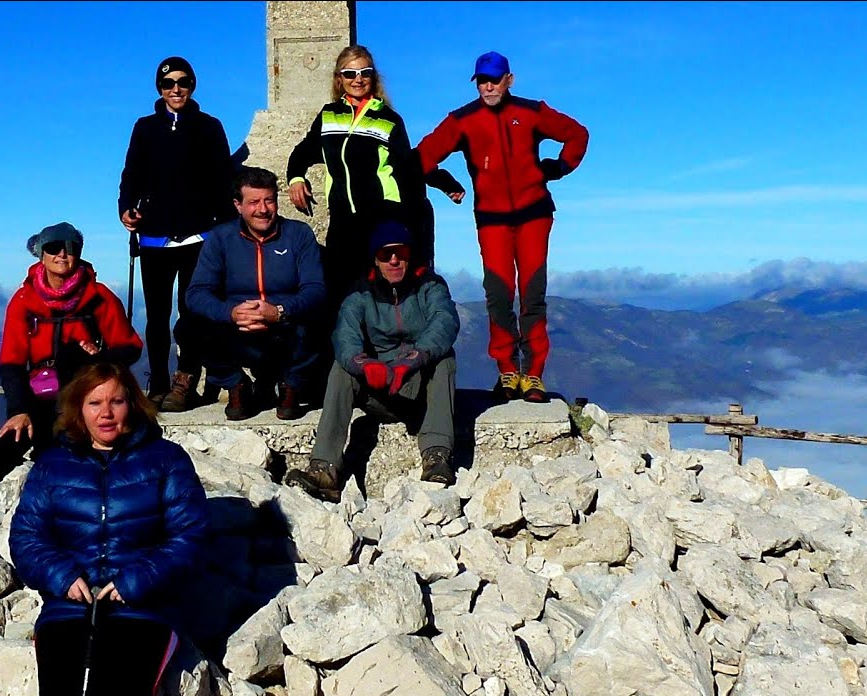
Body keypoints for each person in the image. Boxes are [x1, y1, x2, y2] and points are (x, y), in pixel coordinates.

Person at [9, 362, 208, 696]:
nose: (106, 413)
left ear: (132, 403)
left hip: (142, 606)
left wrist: (134, 580)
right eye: (94, 403)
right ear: (77, 409)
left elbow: (189, 535)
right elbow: (27, 537)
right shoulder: (52, 465)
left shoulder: (166, 461)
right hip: (68, 607)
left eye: (116, 401)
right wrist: (63, 577)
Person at [416, 50, 588, 403]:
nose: (489, 85)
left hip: (535, 214)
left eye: (495, 78)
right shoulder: (463, 120)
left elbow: (577, 134)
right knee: (498, 294)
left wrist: (557, 168)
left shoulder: (531, 112)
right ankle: (508, 372)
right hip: (492, 220)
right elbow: (420, 158)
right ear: (476, 82)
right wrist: (444, 180)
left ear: (510, 79)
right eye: (482, 80)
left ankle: (534, 375)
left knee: (532, 292)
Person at [0, 222, 143, 518]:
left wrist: (101, 358)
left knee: (51, 424)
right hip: (42, 390)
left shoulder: (99, 298)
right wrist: (17, 409)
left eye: (71, 248)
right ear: (40, 254)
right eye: (53, 248)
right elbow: (11, 362)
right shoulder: (24, 301)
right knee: (27, 425)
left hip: (87, 386)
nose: (62, 254)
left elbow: (130, 347)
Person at [284, 221, 460, 502]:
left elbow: (444, 322)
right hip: (379, 388)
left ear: (409, 254)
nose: (393, 260)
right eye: (385, 254)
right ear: (375, 259)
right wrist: (363, 364)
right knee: (341, 370)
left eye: (400, 252)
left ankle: (436, 455)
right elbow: (345, 337)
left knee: (444, 360)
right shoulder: (359, 294)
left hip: (420, 389)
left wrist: (413, 361)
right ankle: (324, 468)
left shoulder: (430, 286)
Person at [119, 55, 237, 412]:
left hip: (199, 237)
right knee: (156, 315)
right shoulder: (145, 127)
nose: (176, 89)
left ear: (192, 86)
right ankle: (156, 381)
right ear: (159, 89)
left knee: (192, 312)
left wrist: (222, 224)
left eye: (182, 83)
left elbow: (222, 178)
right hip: (154, 235)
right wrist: (126, 208)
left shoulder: (209, 127)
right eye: (168, 84)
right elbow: (131, 174)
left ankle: (185, 380)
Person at [285, 44, 428, 312]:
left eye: (365, 72)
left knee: (381, 294)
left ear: (374, 77)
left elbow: (407, 171)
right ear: (339, 79)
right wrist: (296, 179)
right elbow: (303, 152)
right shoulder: (329, 115)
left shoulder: (388, 118)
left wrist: (411, 225)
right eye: (350, 74)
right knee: (342, 292)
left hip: (383, 215)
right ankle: (347, 353)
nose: (358, 79)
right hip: (342, 218)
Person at [185, 166, 326, 422]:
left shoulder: (298, 235)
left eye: (269, 200)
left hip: (287, 330)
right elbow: (196, 293)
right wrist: (231, 313)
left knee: (320, 318)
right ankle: (237, 385)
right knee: (189, 326)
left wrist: (280, 311)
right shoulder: (221, 238)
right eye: (253, 202)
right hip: (239, 331)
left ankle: (291, 386)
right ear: (238, 205)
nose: (263, 209)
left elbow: (315, 288)